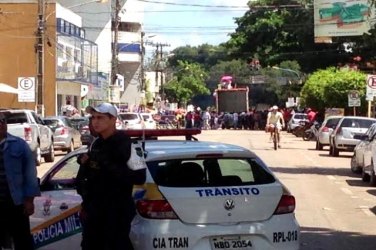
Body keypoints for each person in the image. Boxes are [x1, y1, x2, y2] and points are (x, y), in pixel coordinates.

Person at [76, 103, 146, 250]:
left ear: (113, 119)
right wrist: (85, 164)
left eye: (100, 117)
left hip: (116, 212)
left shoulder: (129, 145)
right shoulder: (96, 144)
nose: (95, 121)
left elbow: (140, 177)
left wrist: (107, 164)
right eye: (93, 117)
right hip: (94, 211)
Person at [0, 112, 40, 250]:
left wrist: (29, 200)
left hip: (16, 203)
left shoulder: (19, 145)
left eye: (3, 121)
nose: (1, 124)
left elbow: (30, 174)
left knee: (22, 241)